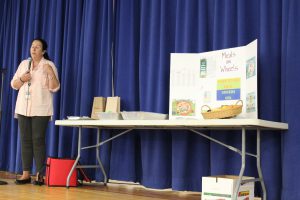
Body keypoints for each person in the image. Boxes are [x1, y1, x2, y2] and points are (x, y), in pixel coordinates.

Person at [10, 38, 60, 185]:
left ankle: (40, 174)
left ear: (43, 51)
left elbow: (55, 87)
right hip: (23, 108)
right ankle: (26, 174)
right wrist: (22, 78)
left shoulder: (49, 65)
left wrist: (50, 72)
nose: (33, 49)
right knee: (25, 140)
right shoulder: (24, 64)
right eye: (32, 46)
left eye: (37, 47)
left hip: (41, 108)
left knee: (38, 140)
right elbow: (13, 84)